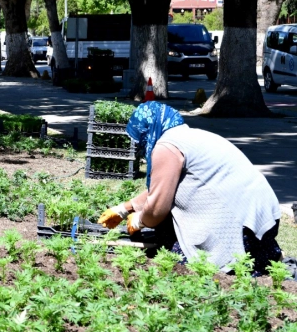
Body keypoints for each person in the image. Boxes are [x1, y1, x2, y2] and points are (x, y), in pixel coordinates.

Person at [98, 102, 282, 275]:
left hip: (239, 224)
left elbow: (156, 210)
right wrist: (124, 208)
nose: (141, 146)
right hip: (263, 216)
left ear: (148, 130)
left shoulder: (166, 147)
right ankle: (265, 260)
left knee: (181, 265)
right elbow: (166, 185)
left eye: (141, 138)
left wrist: (140, 220)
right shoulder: (188, 136)